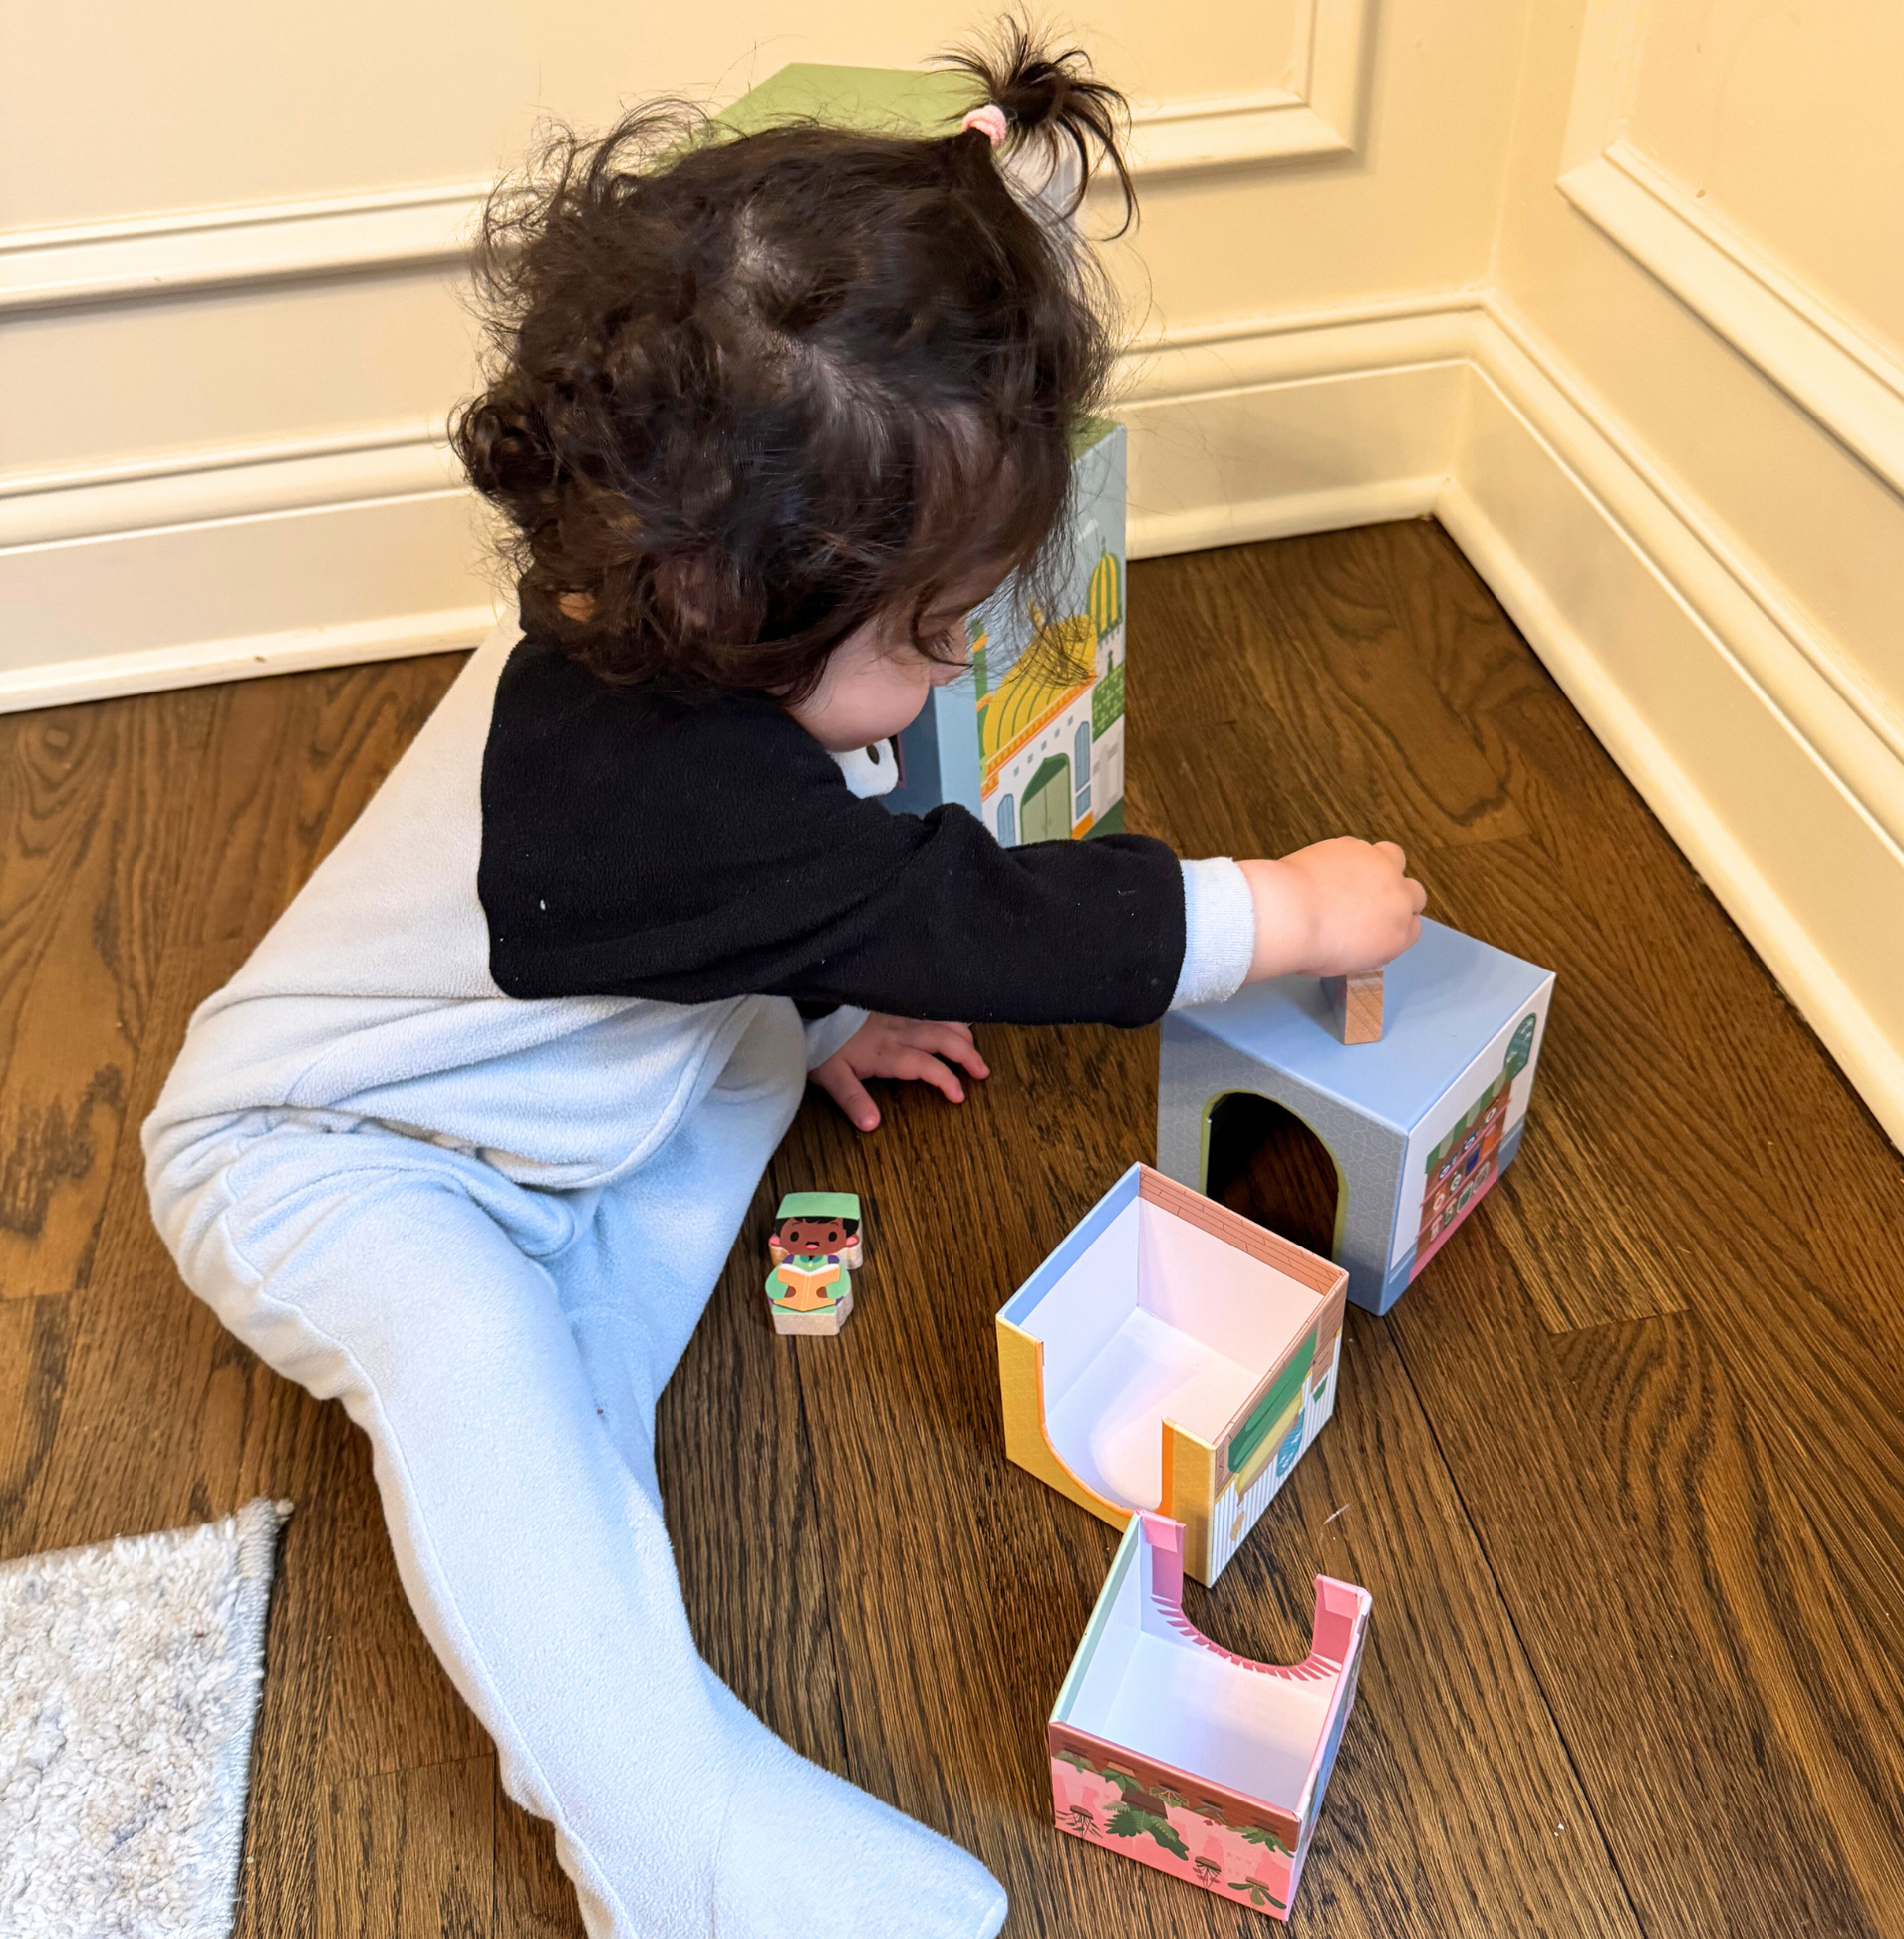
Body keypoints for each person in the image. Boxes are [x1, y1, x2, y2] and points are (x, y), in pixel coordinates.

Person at [142, 25, 1423, 1939]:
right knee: (479, 1367)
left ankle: (548, 1526)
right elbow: (982, 915)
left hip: (582, 1086)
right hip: (324, 1159)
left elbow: (835, 894)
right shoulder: (652, 790)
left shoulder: (696, 662)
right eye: (930, 640)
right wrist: (1283, 910)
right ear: (736, 608)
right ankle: (672, 1847)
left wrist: (815, 1006)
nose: (957, 670)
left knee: (678, 1182)